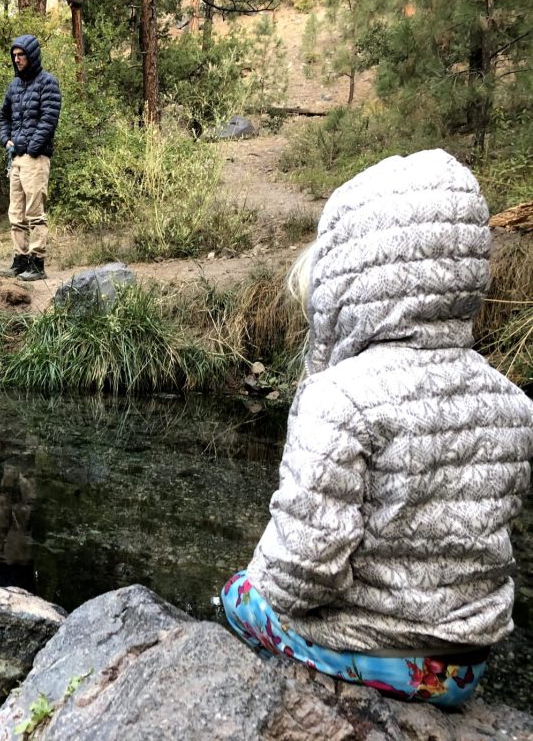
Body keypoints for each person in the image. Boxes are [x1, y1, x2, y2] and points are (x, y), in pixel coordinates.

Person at [221, 149, 533, 706]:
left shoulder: (339, 398)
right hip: (464, 668)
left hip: (382, 656)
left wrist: (257, 577)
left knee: (237, 596)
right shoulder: (511, 401)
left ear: (347, 281)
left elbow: (304, 570)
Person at [0, 35, 61, 282]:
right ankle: (19, 260)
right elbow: (3, 116)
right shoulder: (14, 86)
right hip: (16, 159)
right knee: (16, 213)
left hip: (35, 159)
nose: (17, 59)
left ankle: (37, 264)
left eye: (21, 55)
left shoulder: (48, 83)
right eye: (14, 55)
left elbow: (48, 120)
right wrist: (6, 140)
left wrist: (32, 148)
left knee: (35, 213)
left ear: (31, 56)